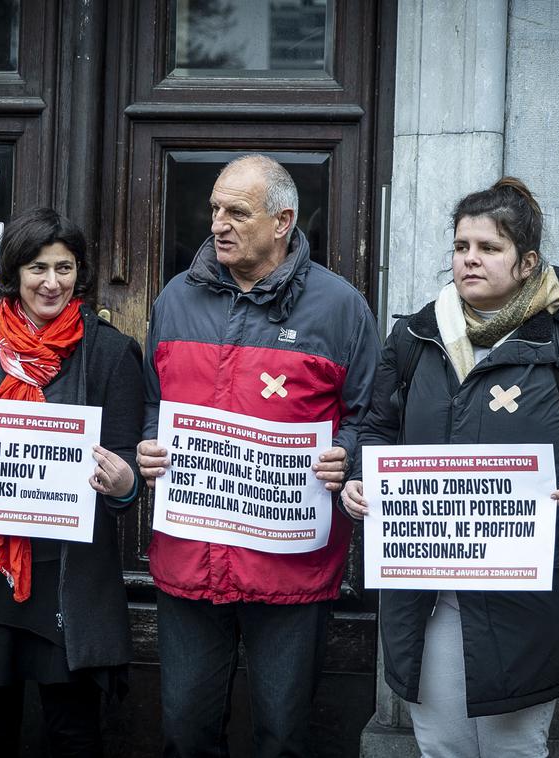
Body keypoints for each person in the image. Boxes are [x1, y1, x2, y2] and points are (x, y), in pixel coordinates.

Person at [342, 178, 559, 757]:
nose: (470, 259)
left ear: (526, 263)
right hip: (429, 590)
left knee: (516, 749)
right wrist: (359, 476)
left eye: (489, 248)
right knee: (441, 747)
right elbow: (377, 429)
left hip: (527, 592)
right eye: (460, 246)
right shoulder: (415, 337)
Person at [136, 154, 379, 757]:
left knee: (283, 736)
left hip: (291, 566)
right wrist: (149, 448)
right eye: (215, 209)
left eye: (237, 212)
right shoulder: (175, 300)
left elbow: (371, 416)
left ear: (282, 221)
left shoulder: (340, 307)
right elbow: (151, 403)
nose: (218, 222)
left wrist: (344, 454)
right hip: (190, 560)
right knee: (184, 733)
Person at [0, 208, 143, 756]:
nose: (52, 282)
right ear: (13, 272)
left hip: (65, 570)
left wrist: (124, 480)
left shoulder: (110, 352)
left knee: (72, 728)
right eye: (39, 267)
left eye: (65, 268)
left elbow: (129, 468)